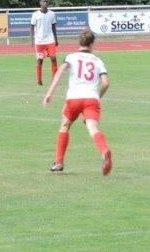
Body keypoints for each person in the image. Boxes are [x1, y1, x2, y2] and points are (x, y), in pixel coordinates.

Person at [42, 28, 113, 176]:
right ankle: (104, 151)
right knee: (93, 128)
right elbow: (106, 83)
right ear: (92, 44)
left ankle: (59, 162)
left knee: (65, 125)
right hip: (91, 98)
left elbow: (59, 74)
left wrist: (49, 93)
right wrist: (97, 96)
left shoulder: (71, 57)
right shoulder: (97, 61)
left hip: (73, 98)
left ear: (79, 43)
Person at [30, 0, 58, 86]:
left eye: (47, 1)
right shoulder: (35, 14)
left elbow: (53, 26)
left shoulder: (52, 14)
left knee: (53, 58)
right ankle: (39, 80)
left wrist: (56, 38)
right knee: (40, 60)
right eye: (44, 1)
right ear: (40, 3)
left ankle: (54, 79)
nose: (45, 3)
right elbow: (32, 26)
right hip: (39, 42)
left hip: (50, 40)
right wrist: (32, 39)